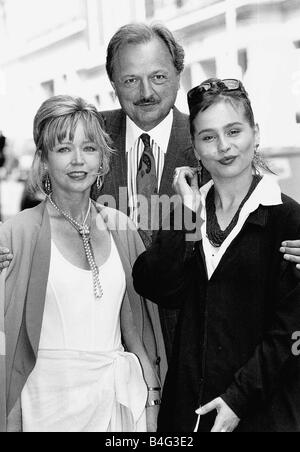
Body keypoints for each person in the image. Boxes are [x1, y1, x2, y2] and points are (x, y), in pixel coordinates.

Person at [133, 79, 300, 432]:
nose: (224, 146)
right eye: (208, 137)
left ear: (256, 133)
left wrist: (239, 399)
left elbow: (289, 330)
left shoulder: (288, 220)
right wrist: (188, 214)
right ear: (194, 146)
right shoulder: (188, 213)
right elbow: (157, 286)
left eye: (234, 131)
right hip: (187, 413)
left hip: (262, 413)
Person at [0, 95, 167, 432]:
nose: (78, 160)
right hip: (46, 407)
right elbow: (9, 342)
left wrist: (151, 399)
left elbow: (135, 334)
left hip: (116, 405)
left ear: (103, 160)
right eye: (63, 149)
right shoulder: (17, 233)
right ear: (44, 160)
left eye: (89, 148)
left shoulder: (121, 226)